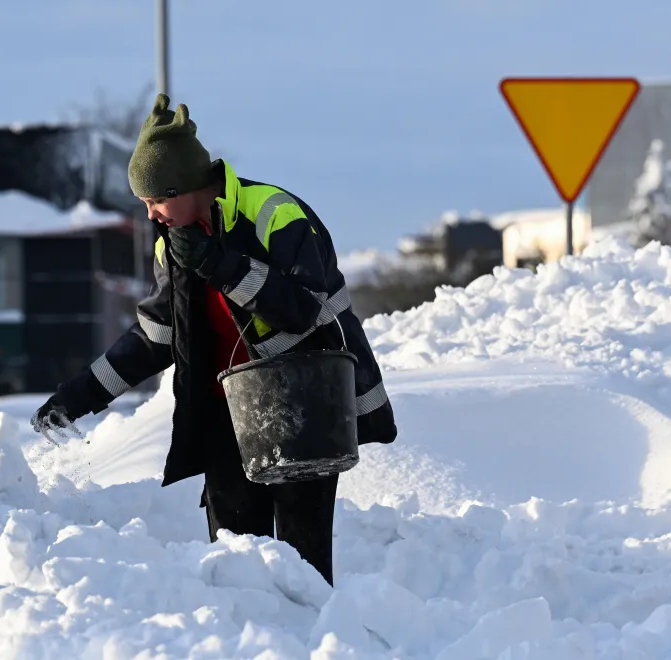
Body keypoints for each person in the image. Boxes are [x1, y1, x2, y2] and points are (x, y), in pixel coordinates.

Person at [30, 94, 397, 585]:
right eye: (146, 204)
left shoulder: (274, 213)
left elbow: (303, 309)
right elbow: (156, 337)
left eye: (157, 200)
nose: (153, 216)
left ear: (187, 186)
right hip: (230, 415)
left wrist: (219, 263)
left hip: (306, 405)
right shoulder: (173, 246)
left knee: (303, 565)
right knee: (235, 564)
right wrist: (77, 397)